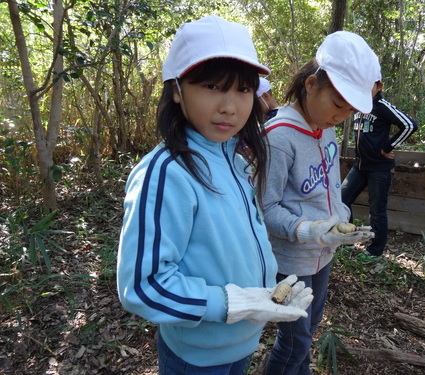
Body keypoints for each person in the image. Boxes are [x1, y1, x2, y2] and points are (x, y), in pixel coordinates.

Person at [116, 15, 314, 375]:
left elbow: (246, 235)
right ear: (177, 89)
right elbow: (143, 285)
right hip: (197, 357)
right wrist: (226, 303)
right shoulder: (166, 173)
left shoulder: (234, 162)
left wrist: (266, 287)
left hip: (241, 343)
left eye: (243, 90)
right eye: (211, 86)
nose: (230, 106)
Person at [261, 31, 378, 374]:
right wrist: (311, 230)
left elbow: (328, 185)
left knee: (309, 329)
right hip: (291, 258)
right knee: (294, 340)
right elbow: (265, 208)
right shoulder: (280, 137)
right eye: (338, 103)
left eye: (351, 109)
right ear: (312, 84)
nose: (341, 116)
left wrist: (341, 216)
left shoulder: (325, 128)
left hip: (322, 254)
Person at [341, 73, 418, 259]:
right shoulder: (359, 104)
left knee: (377, 211)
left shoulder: (382, 106)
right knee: (342, 199)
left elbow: (409, 125)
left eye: (369, 85)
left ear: (379, 86)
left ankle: (375, 251)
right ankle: (349, 241)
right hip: (360, 166)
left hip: (380, 168)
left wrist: (387, 147)